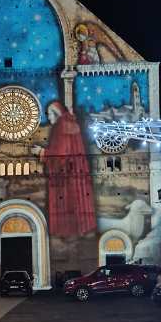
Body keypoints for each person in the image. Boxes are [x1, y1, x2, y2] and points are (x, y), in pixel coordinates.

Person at [31, 101, 96, 237]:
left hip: (66, 175)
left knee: (67, 202)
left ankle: (68, 233)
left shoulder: (60, 126)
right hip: (75, 172)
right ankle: (81, 230)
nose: (48, 118)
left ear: (56, 113)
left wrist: (41, 152)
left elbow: (60, 153)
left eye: (49, 114)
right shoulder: (70, 123)